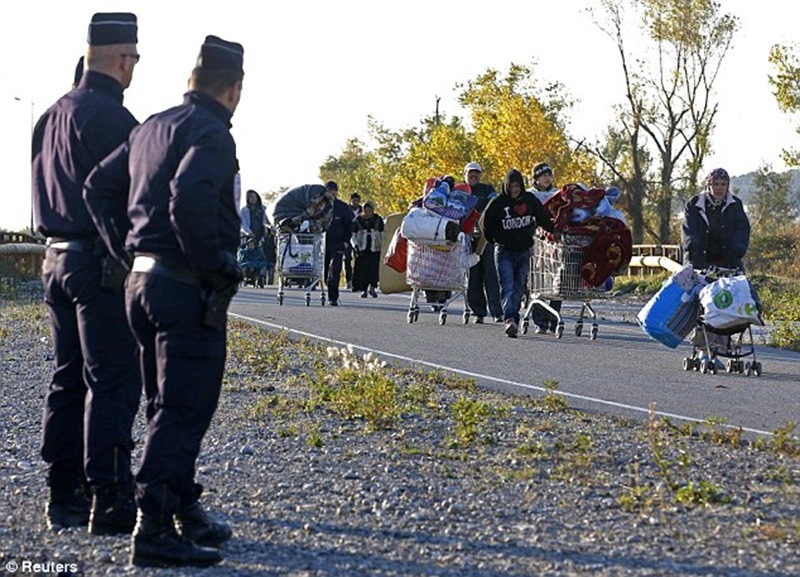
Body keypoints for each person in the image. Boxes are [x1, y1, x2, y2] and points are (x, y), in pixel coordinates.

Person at [85, 35, 244, 567]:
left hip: (142, 284)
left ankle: (180, 506)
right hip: (183, 287)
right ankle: (152, 525)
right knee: (184, 408)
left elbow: (97, 187)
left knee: (164, 405)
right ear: (234, 89)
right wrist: (214, 266)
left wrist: (125, 250)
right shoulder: (212, 134)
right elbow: (189, 199)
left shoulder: (153, 125)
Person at [32, 12, 142, 536]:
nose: (134, 68)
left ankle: (63, 492)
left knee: (67, 376)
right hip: (100, 264)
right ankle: (109, 493)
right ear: (122, 58)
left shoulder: (49, 116)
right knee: (112, 379)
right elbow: (135, 199)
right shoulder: (113, 119)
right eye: (135, 58)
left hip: (54, 257)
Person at [681, 168, 751, 359]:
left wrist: (738, 248)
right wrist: (692, 249)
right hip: (701, 261)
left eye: (723, 184)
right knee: (706, 306)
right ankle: (704, 349)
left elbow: (742, 229)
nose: (719, 188)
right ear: (708, 185)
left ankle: (722, 347)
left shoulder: (735, 205)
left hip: (728, 262)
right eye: (715, 184)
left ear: (728, 186)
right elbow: (689, 231)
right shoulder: (695, 204)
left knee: (727, 304)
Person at [482, 169, 558, 338]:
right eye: (511, 186)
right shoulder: (498, 203)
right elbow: (486, 224)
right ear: (506, 186)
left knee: (519, 287)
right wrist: (494, 240)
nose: (514, 190)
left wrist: (554, 231)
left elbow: (543, 218)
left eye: (517, 186)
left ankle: (513, 316)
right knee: (507, 285)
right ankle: (510, 319)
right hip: (504, 251)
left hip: (524, 251)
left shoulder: (529, 200)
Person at [463, 162, 503, 323]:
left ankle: (497, 312)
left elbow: (495, 203)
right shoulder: (460, 191)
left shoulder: (487, 189)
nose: (474, 175)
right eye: (470, 173)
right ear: (465, 174)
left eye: (477, 173)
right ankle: (478, 312)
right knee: (473, 275)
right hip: (466, 237)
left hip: (485, 236)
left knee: (491, 274)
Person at [527, 163, 562, 334]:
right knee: (538, 281)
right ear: (536, 178)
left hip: (554, 244)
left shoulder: (558, 195)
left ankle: (554, 319)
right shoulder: (529, 195)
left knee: (558, 280)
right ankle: (540, 321)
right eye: (543, 175)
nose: (547, 178)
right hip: (536, 242)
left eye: (549, 174)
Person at [323, 181, 353, 306]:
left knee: (335, 270)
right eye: (329, 190)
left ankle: (333, 297)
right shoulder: (319, 206)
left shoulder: (342, 207)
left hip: (338, 243)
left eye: (334, 190)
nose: (332, 193)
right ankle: (328, 283)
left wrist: (346, 240)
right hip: (323, 243)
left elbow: (350, 224)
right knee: (325, 270)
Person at [352, 201, 384, 298]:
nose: (367, 212)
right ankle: (364, 289)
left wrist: (383, 245)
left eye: (369, 210)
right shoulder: (357, 220)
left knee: (374, 269)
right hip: (362, 248)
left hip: (375, 248)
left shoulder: (378, 220)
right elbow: (353, 235)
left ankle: (372, 287)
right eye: (365, 210)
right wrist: (355, 245)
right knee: (363, 270)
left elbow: (382, 233)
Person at [344, 192, 362, 289]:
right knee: (347, 259)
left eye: (357, 201)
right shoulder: (346, 210)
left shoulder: (363, 211)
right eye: (353, 200)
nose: (355, 202)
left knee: (358, 259)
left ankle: (357, 280)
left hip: (359, 237)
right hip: (347, 236)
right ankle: (348, 280)